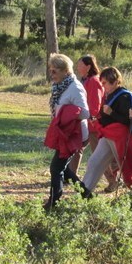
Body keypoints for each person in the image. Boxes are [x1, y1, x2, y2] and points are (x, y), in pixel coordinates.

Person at [82, 67, 132, 193]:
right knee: (94, 162)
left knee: (128, 167)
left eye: (105, 83)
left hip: (120, 138)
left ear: (115, 82)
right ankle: (84, 193)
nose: (103, 86)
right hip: (108, 135)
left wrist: (111, 113)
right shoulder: (111, 95)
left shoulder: (125, 97)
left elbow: (128, 120)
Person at [43, 53, 90, 210]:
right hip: (63, 134)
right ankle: (87, 196)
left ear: (65, 70)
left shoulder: (75, 87)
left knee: (56, 168)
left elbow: (85, 113)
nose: (52, 74)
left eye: (55, 71)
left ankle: (53, 203)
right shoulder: (60, 86)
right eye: (50, 70)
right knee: (65, 170)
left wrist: (67, 114)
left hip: (74, 136)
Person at [68, 55, 113, 188]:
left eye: (80, 65)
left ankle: (113, 181)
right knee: (77, 148)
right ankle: (71, 176)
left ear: (88, 67)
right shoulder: (85, 80)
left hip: (93, 125)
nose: (78, 67)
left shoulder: (94, 81)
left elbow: (95, 104)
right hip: (86, 122)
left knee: (98, 155)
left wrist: (90, 119)